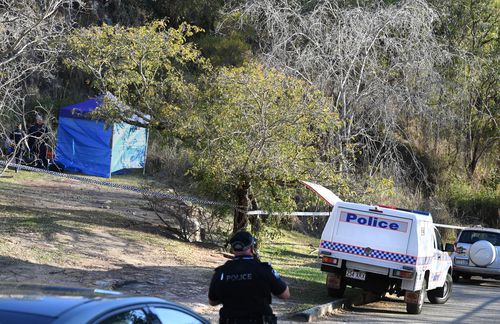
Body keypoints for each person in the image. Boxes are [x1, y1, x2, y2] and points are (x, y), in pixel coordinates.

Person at [208, 231, 290, 324]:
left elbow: (212, 301)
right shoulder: (264, 269)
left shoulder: (221, 272)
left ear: (233, 249)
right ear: (252, 248)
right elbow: (285, 294)